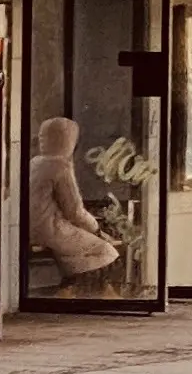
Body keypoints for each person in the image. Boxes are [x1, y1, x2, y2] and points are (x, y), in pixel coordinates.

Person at [26, 115, 123, 282]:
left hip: (30, 229)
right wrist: (96, 229)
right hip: (50, 230)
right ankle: (79, 291)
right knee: (106, 251)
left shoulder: (34, 162)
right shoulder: (60, 166)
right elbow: (75, 211)